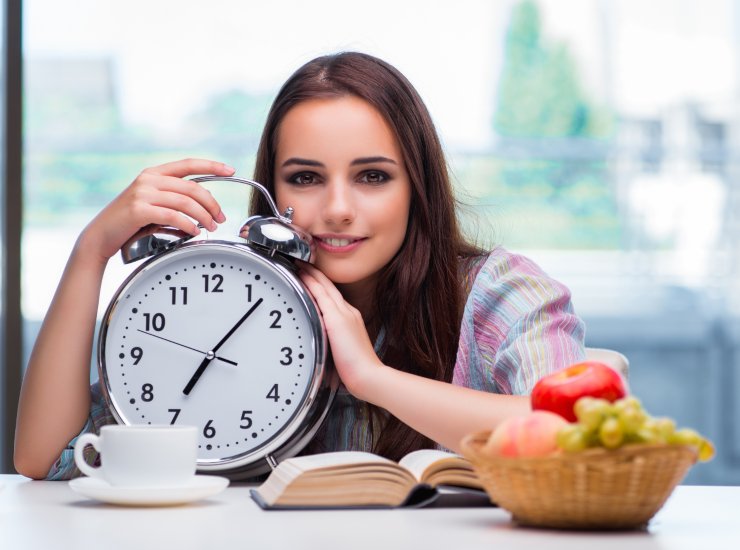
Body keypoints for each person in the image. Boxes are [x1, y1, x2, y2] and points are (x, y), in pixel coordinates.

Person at [14, 52, 585, 480]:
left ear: (418, 188)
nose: (337, 210)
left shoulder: (502, 294)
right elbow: (43, 458)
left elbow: (574, 442)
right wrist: (89, 251)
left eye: (372, 176)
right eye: (306, 178)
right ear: (274, 188)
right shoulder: (230, 297)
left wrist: (372, 378)